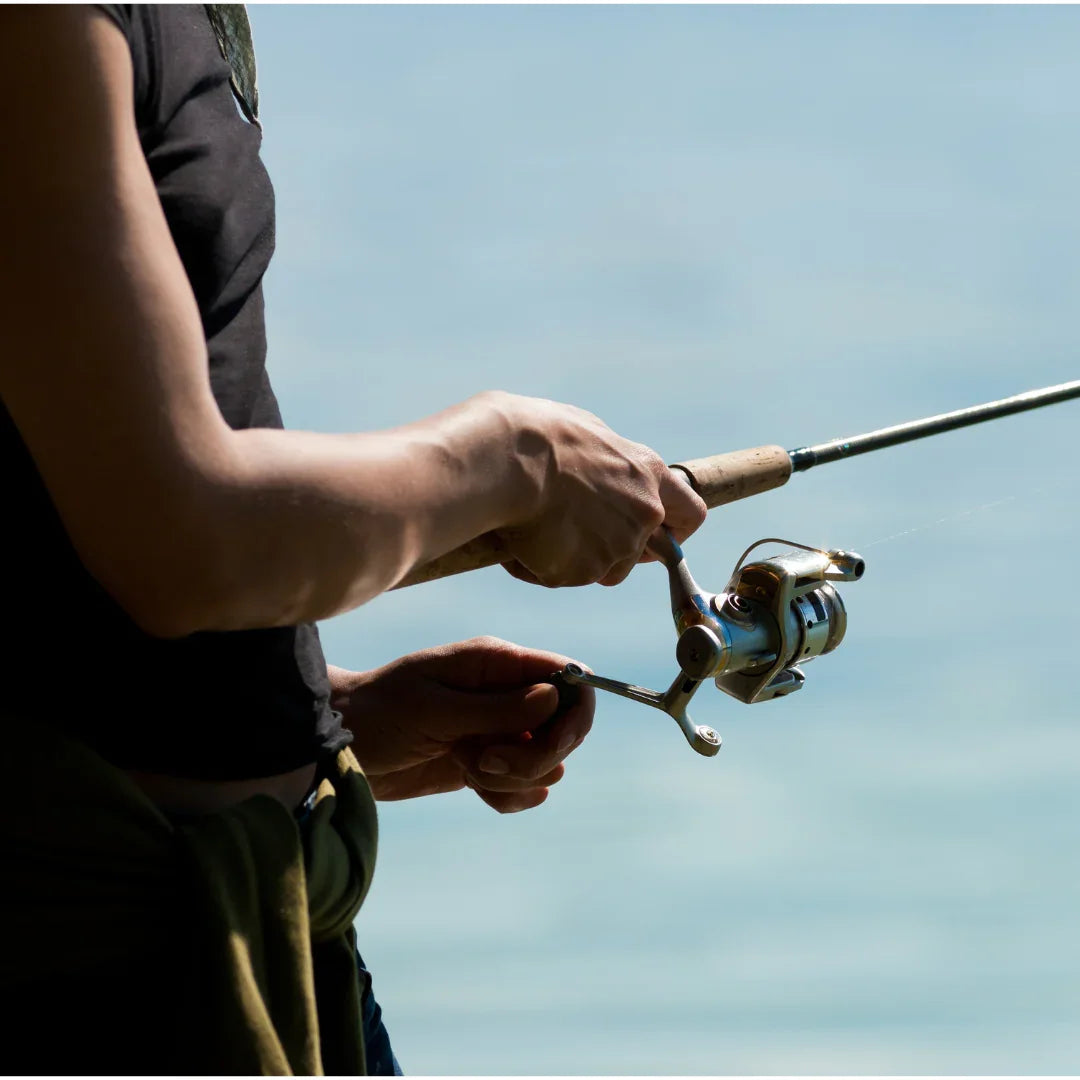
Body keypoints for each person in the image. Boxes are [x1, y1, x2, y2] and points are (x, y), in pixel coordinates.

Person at [0, 5, 707, 1075]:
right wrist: (515, 463)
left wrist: (333, 718)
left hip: (243, 937)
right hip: (98, 990)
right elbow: (179, 540)